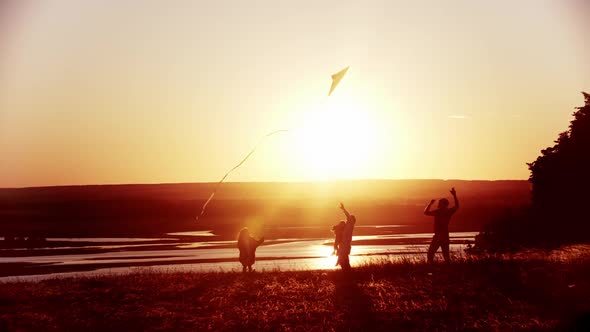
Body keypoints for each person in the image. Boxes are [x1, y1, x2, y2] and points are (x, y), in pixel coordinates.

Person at [424, 187, 459, 263]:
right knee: (446, 255)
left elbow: (426, 212)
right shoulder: (448, 211)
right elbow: (457, 206)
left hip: (439, 235)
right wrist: (454, 195)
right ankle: (447, 269)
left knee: (431, 254)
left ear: (444, 204)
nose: (439, 204)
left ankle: (432, 268)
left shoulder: (439, 212)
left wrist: (430, 204)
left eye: (440, 203)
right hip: (445, 235)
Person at [337, 202, 356, 270]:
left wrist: (344, 209)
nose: (347, 219)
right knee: (343, 259)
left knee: (344, 259)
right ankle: (346, 271)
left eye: (349, 218)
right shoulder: (348, 226)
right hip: (343, 245)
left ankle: (347, 272)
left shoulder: (350, 225)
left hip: (345, 245)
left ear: (352, 220)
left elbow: (348, 216)